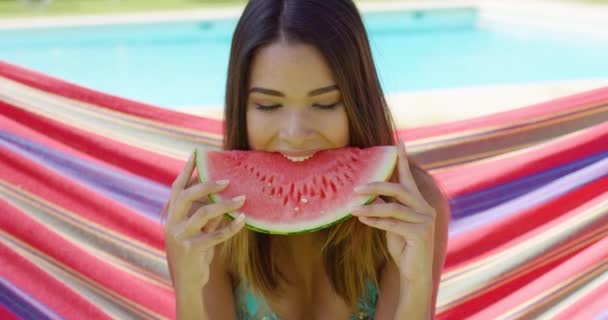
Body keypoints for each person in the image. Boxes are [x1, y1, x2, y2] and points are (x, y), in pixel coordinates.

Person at [161, 0, 450, 319]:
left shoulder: (412, 208)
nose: (295, 133)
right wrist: (189, 286)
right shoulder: (204, 217)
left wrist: (416, 283)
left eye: (325, 104)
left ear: (359, 102)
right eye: (268, 106)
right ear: (240, 108)